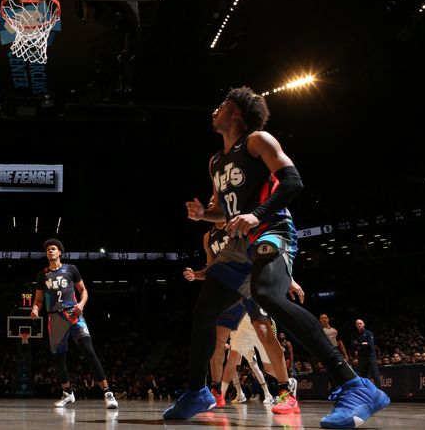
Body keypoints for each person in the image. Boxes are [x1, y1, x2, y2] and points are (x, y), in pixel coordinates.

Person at [166, 86, 390, 429]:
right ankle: (198, 392)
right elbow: (223, 212)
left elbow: (293, 181)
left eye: (221, 105)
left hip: (272, 229)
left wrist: (257, 215)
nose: (215, 110)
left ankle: (355, 386)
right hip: (238, 242)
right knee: (203, 313)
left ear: (236, 112)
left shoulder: (258, 140)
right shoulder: (215, 161)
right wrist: (203, 214)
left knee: (267, 294)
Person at [184, 216, 297, 409]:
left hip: (250, 281)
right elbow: (212, 267)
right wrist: (197, 275)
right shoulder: (207, 237)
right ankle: (216, 391)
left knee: (263, 331)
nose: (213, 201)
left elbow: (266, 246)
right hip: (229, 288)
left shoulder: (239, 219)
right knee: (218, 339)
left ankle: (285, 389)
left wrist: (289, 277)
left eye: (215, 200)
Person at [30, 238, 119, 410]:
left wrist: (81, 305)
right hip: (54, 318)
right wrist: (35, 309)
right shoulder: (42, 275)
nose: (50, 251)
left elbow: (83, 291)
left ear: (60, 252)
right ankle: (67, 393)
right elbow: (38, 300)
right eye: (48, 249)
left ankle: (108, 393)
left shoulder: (71, 269)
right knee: (59, 360)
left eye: (53, 249)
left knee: (89, 351)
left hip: (73, 314)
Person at [352, 319, 381, 385]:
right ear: (355, 325)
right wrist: (362, 344)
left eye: (360, 323)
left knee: (375, 374)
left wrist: (359, 345)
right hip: (361, 357)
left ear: (363, 324)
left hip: (370, 356)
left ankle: (380, 391)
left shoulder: (368, 333)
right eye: (357, 324)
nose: (359, 325)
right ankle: (366, 392)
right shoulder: (355, 335)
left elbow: (370, 345)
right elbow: (353, 345)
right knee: (363, 375)